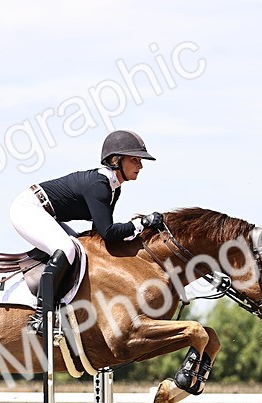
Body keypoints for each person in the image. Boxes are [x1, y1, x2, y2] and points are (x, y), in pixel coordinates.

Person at [10, 129, 166, 335]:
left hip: (48, 214)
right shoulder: (99, 185)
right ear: (116, 160)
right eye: (135, 159)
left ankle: (62, 307)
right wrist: (142, 222)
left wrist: (136, 230)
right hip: (28, 209)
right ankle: (41, 317)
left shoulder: (113, 187)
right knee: (67, 249)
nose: (141, 165)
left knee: (80, 249)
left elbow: (100, 235)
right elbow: (108, 232)